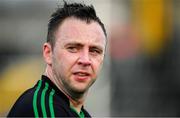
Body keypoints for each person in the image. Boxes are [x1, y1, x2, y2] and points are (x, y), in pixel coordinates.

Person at [8, 1, 107, 117]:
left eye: (94, 51)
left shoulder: (80, 114)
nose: (85, 60)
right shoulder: (43, 108)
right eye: (73, 48)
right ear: (48, 53)